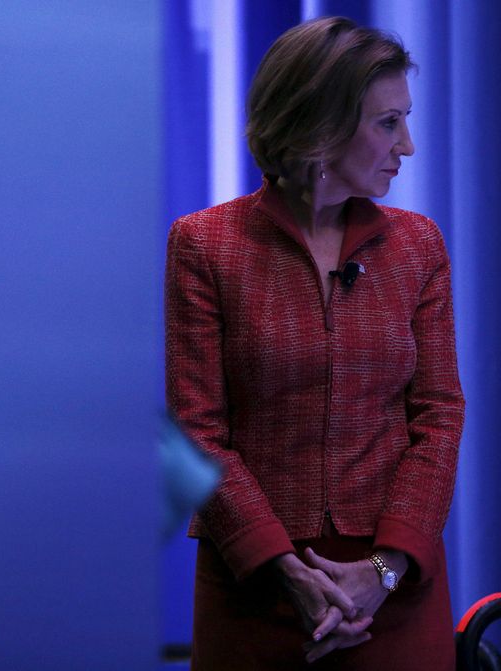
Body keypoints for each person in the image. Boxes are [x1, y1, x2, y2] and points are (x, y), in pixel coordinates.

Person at [164, 16, 464, 670]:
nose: (407, 145)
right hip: (257, 590)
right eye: (388, 123)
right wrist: (284, 569)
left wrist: (380, 571)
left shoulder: (418, 246)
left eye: (405, 120)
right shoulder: (205, 245)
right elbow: (197, 430)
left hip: (392, 594)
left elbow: (439, 417)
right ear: (320, 127)